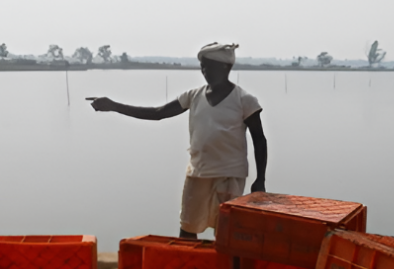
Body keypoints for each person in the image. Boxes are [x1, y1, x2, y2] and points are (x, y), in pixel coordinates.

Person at [91, 42, 267, 239]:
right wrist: (114, 106)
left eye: (209, 67)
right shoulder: (193, 96)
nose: (204, 71)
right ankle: (187, 266)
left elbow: (259, 140)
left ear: (226, 68)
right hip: (198, 173)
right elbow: (158, 113)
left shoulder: (244, 100)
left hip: (230, 175)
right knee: (187, 228)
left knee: (227, 231)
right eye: (202, 66)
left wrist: (260, 179)